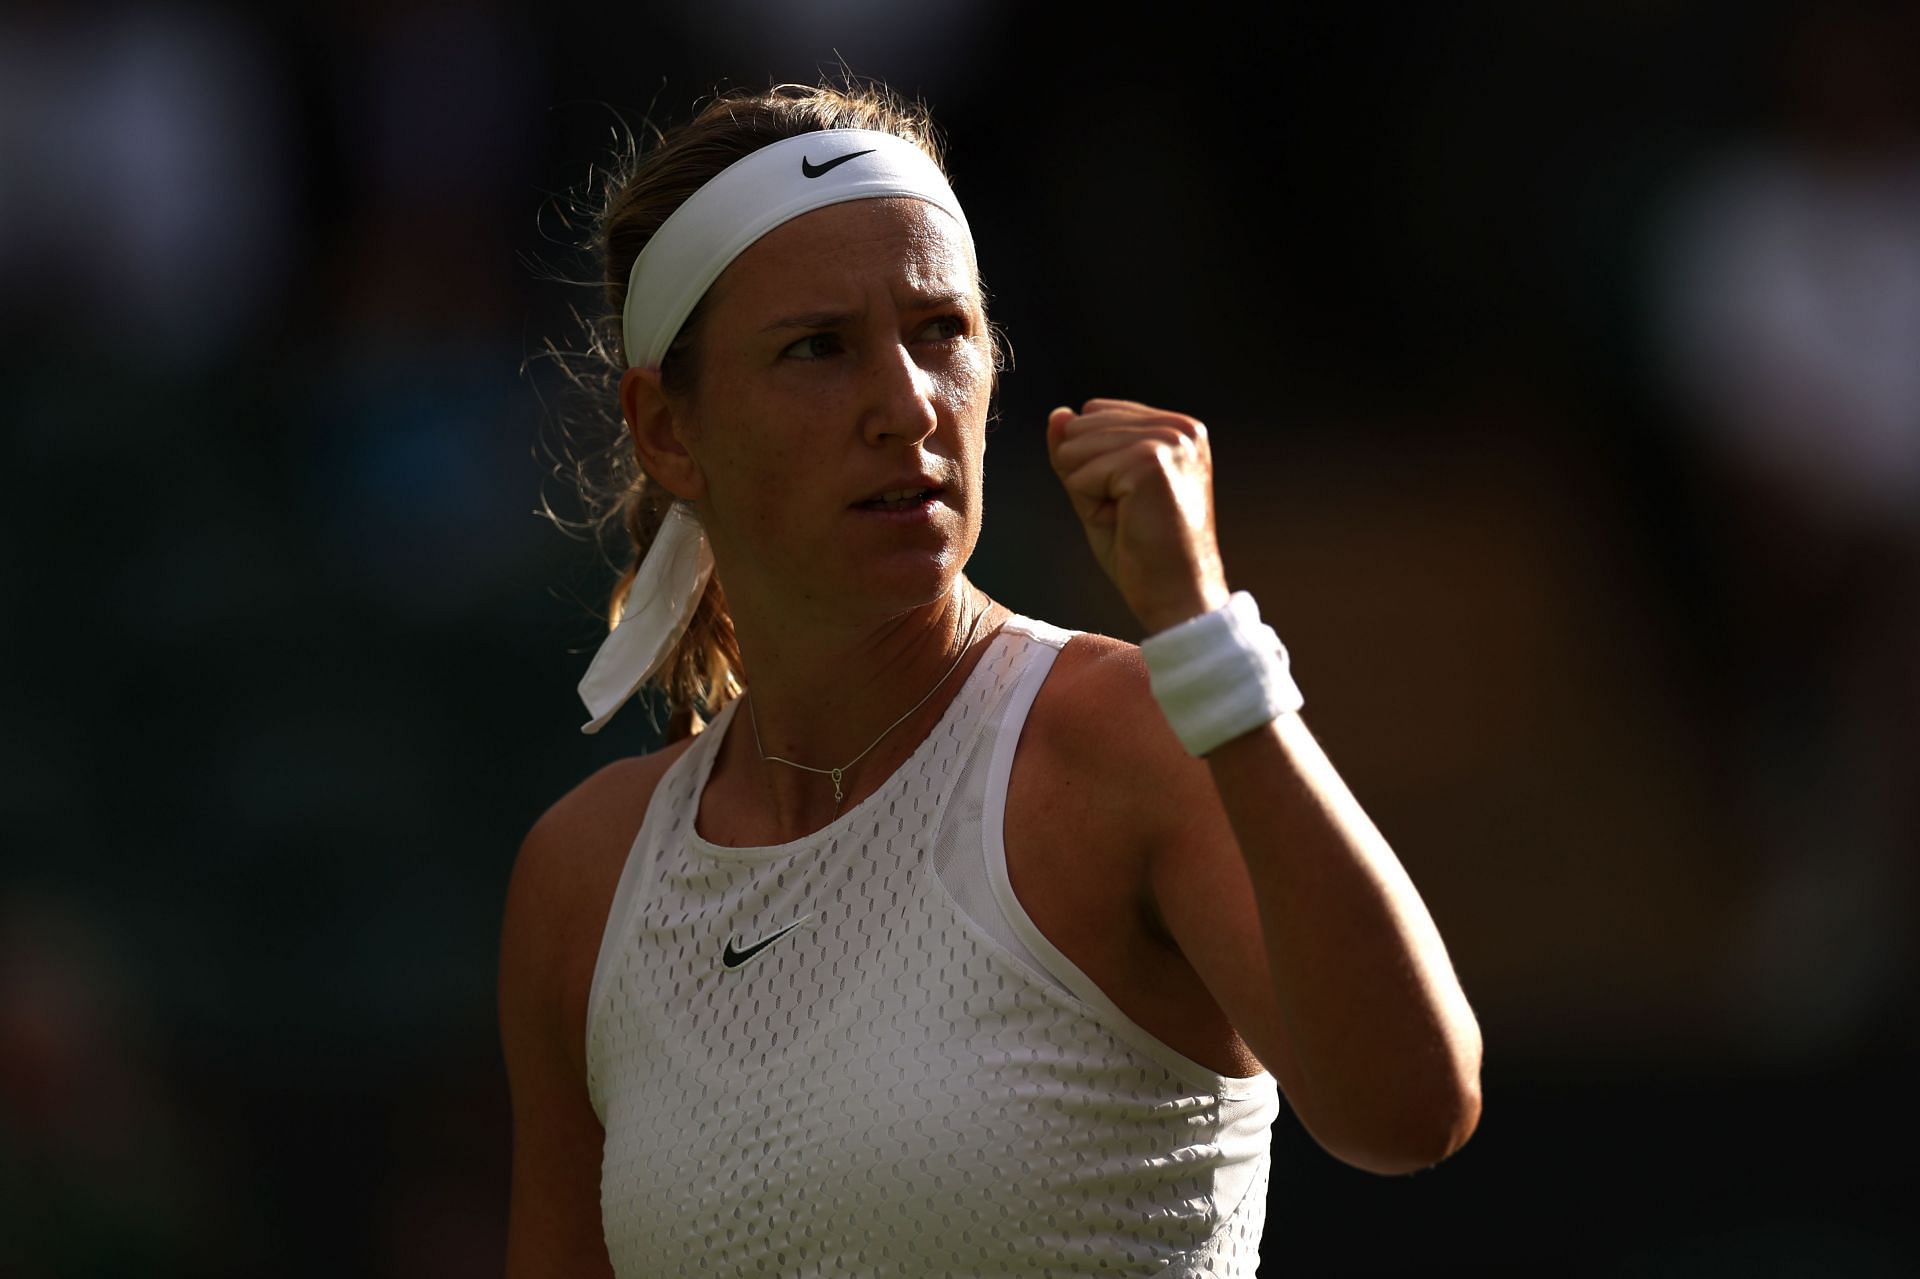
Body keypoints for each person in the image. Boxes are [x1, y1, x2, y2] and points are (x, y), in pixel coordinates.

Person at [499, 79, 1482, 1276]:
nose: (908, 404)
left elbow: (1409, 1110)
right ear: (666, 428)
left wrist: (1209, 641)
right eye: (818, 347)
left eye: (941, 333)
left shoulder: (1139, 738)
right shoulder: (583, 874)